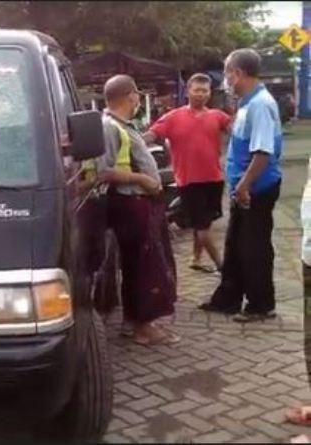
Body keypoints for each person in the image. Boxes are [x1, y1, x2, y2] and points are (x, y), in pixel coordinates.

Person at [197, 48, 283, 322]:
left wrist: (244, 186)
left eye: (227, 73)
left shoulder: (261, 105)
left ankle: (261, 304)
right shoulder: (247, 103)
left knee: (254, 248)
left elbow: (263, 152)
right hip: (244, 189)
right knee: (235, 246)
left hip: (257, 189)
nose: (225, 80)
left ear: (237, 73)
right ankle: (228, 299)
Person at [97, 74, 180, 345]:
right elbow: (104, 171)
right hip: (129, 204)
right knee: (144, 266)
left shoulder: (122, 126)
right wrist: (143, 179)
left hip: (138, 203)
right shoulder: (110, 127)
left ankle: (133, 322)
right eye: (136, 95)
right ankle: (144, 327)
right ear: (130, 96)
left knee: (138, 265)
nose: (137, 100)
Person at [143, 73, 231, 274]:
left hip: (214, 179)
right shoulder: (173, 117)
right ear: (188, 92)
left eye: (205, 90)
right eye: (197, 90)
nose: (201, 94)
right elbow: (152, 134)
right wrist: (132, 142)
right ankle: (222, 266)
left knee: (204, 223)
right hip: (189, 181)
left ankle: (196, 258)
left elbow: (237, 131)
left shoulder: (217, 116)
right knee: (202, 227)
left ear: (209, 93)